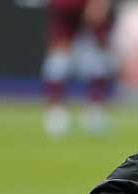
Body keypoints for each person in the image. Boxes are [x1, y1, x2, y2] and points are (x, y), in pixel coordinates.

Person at [43, 0, 113, 136]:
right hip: (67, 12)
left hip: (90, 16)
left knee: (98, 62)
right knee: (59, 61)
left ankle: (95, 111)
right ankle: (56, 112)